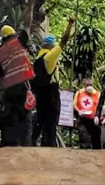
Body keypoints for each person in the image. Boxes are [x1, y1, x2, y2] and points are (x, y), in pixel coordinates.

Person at [0, 0, 35, 146]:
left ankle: (10, 146)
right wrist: (30, 6)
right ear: (13, 34)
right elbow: (28, 25)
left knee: (11, 118)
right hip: (23, 87)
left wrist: (0, 95)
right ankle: (25, 146)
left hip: (9, 90)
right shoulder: (19, 41)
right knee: (24, 117)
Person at [31, 17, 75, 146]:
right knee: (51, 123)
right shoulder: (49, 57)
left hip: (40, 94)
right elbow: (64, 41)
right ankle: (49, 147)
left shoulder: (38, 59)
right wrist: (70, 24)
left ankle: (32, 144)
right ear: (50, 46)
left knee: (41, 120)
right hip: (50, 94)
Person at [73, 78, 101, 149]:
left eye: (91, 85)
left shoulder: (97, 94)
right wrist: (78, 111)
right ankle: (85, 151)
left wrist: (97, 116)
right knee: (83, 135)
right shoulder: (79, 93)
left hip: (93, 119)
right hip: (82, 118)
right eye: (87, 85)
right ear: (84, 85)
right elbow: (74, 104)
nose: (89, 86)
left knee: (96, 136)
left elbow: (100, 106)